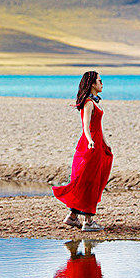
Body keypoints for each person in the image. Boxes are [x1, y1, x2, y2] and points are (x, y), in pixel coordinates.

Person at [52, 70, 113, 232]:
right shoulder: (88, 103)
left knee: (88, 179)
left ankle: (72, 217)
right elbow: (86, 125)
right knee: (89, 181)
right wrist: (90, 140)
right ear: (92, 83)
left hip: (97, 144)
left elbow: (98, 126)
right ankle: (88, 221)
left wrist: (105, 143)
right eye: (99, 81)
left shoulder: (94, 101)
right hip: (90, 146)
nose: (102, 83)